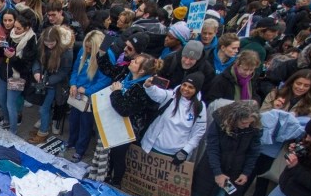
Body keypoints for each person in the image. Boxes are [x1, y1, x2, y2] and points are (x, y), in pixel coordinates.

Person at [190, 100, 264, 196]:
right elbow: (212, 147)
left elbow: (253, 152)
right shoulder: (219, 122)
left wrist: (246, 172)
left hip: (235, 169)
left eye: (250, 123)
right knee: (200, 187)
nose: (247, 126)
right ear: (235, 118)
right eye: (244, 122)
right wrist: (218, 172)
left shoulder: (254, 129)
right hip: (212, 163)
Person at [99, 53, 164, 185]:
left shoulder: (142, 88)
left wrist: (116, 92)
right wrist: (102, 52)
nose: (132, 61)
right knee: (111, 153)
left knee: (118, 156)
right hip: (114, 122)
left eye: (135, 61)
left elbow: (125, 110)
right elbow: (109, 70)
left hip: (128, 128)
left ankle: (116, 182)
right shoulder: (126, 75)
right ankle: (106, 175)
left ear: (141, 71)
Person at [141, 71, 208, 163]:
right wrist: (149, 86)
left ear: (196, 90)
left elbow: (198, 132)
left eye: (190, 87)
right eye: (184, 85)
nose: (185, 89)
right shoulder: (170, 96)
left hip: (175, 153)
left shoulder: (200, 107)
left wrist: (185, 151)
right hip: (153, 147)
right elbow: (157, 93)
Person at [65, 30, 110, 163]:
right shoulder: (82, 52)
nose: (88, 49)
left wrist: (88, 90)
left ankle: (80, 150)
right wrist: (72, 84)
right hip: (76, 93)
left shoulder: (104, 57)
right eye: (87, 47)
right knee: (73, 119)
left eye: (91, 48)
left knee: (85, 124)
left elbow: (105, 80)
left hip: (89, 96)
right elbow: (74, 70)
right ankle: (71, 141)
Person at [28, 25, 74, 144]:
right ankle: (44, 126)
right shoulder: (42, 44)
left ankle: (43, 132)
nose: (49, 46)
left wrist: (47, 80)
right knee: (43, 108)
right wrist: (37, 72)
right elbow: (37, 60)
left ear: (58, 40)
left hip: (55, 84)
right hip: (44, 80)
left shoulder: (66, 51)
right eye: (47, 43)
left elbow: (64, 72)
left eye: (52, 43)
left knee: (44, 109)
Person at [0, 10, 37, 133]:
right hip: (5, 72)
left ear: (27, 28)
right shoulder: (12, 34)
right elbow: (4, 54)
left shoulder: (31, 41)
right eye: (15, 27)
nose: (15, 30)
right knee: (0, 98)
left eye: (18, 28)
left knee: (10, 104)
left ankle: (13, 131)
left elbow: (26, 66)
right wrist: (0, 48)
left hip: (17, 77)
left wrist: (12, 57)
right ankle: (7, 120)